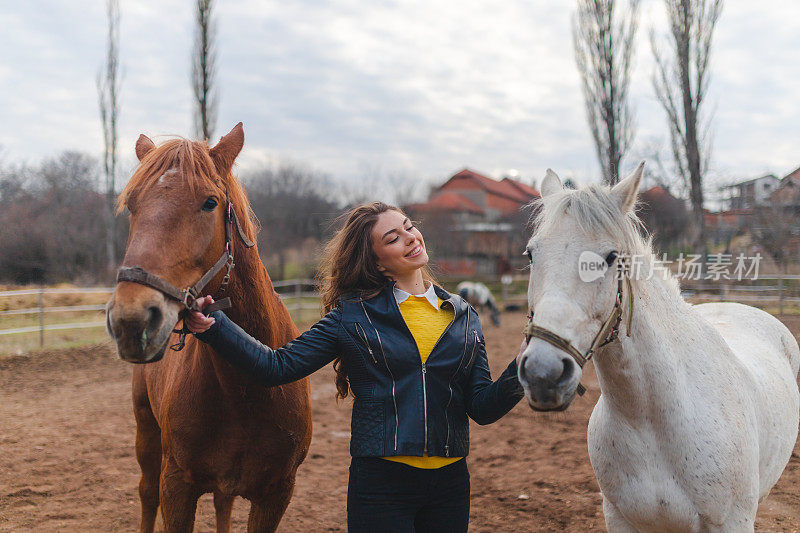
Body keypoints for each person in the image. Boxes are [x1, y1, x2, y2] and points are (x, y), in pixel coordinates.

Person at [186, 202, 524, 532]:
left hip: (451, 486)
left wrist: (523, 366)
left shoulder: (465, 317)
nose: (410, 237)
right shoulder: (352, 316)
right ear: (377, 264)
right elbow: (276, 367)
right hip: (381, 486)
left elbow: (481, 407)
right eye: (392, 238)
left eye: (409, 227)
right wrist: (215, 325)